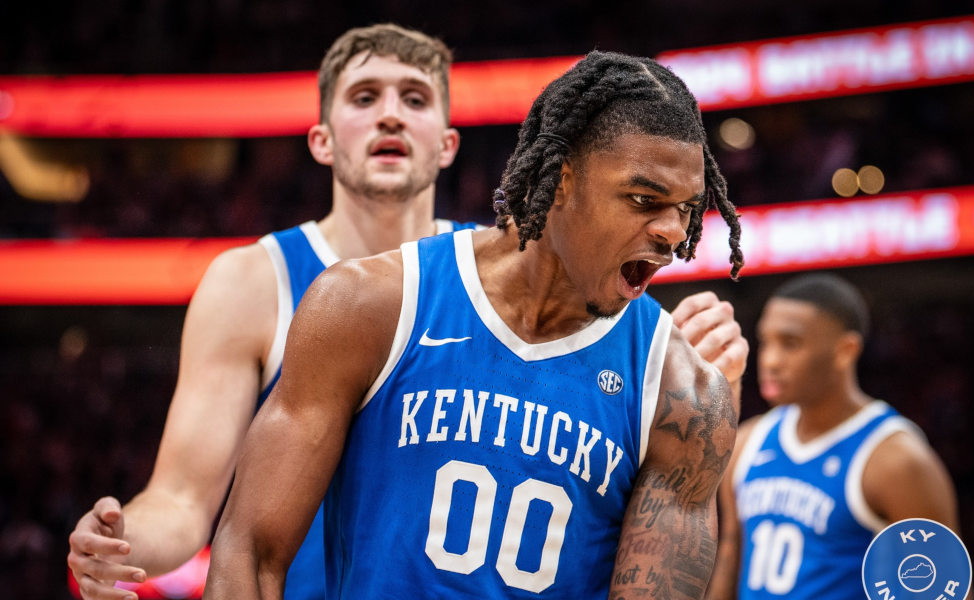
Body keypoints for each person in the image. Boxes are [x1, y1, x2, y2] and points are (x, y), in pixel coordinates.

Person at [67, 30, 747, 600]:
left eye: (685, 211)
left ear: (448, 143)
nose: (670, 233)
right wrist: (121, 538)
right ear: (560, 179)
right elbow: (234, 539)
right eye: (642, 199)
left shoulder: (687, 392)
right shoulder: (362, 298)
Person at [705, 273, 967, 600]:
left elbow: (944, 591)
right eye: (765, 342)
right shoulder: (747, 440)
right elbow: (731, 560)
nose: (770, 360)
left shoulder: (898, 461)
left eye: (790, 344)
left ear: (845, 351)